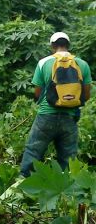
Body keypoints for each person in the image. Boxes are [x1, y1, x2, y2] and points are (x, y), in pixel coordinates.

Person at [20, 32, 92, 177]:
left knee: (33, 151)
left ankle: (24, 186)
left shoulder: (44, 62)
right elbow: (86, 95)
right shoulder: (82, 64)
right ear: (68, 45)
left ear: (53, 46)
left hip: (46, 115)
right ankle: (66, 192)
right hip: (70, 117)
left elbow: (37, 93)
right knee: (68, 158)